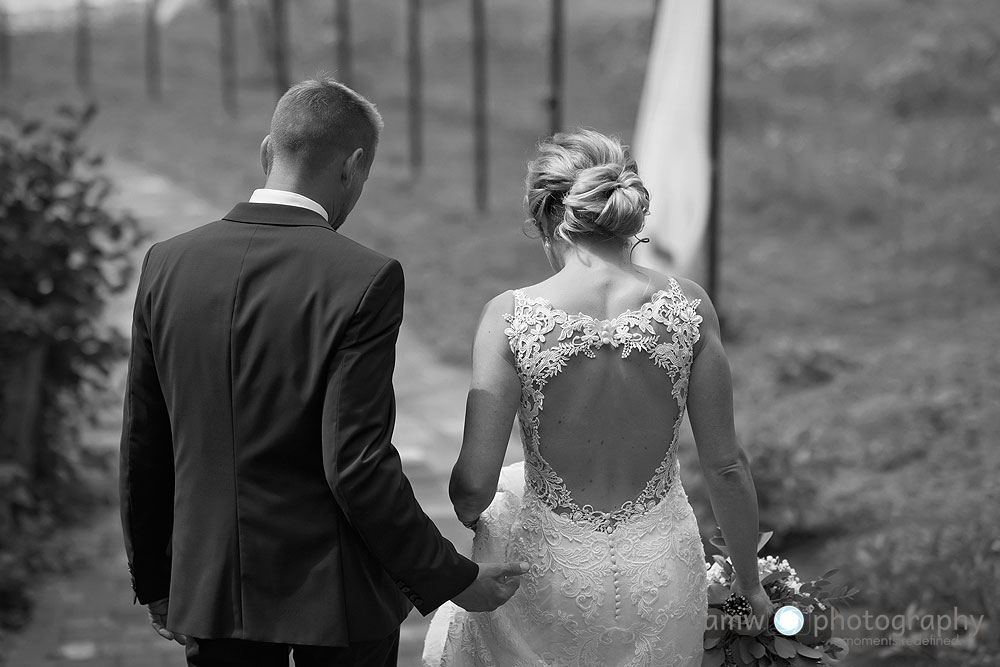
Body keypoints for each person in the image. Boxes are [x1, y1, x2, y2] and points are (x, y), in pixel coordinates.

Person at [119, 77, 527, 667]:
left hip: (212, 589)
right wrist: (451, 576)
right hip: (337, 597)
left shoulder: (167, 263)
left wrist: (156, 578)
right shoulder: (364, 277)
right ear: (354, 165)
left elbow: (144, 440)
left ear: (268, 150)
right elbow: (355, 464)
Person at [423, 129, 772, 666]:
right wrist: (749, 584)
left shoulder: (512, 317)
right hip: (662, 573)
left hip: (546, 575)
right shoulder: (689, 307)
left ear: (547, 219)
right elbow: (726, 467)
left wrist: (482, 520)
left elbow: (473, 487)